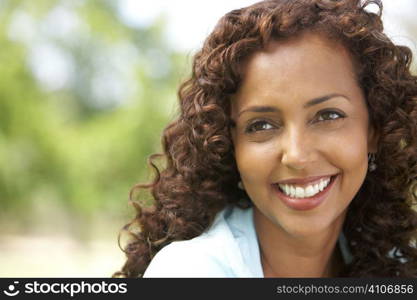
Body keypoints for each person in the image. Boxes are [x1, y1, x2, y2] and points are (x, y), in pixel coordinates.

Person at [113, 0, 417, 278]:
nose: (296, 155)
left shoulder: (394, 266)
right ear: (229, 146)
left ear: (375, 129)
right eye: (261, 125)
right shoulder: (192, 273)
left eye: (328, 116)